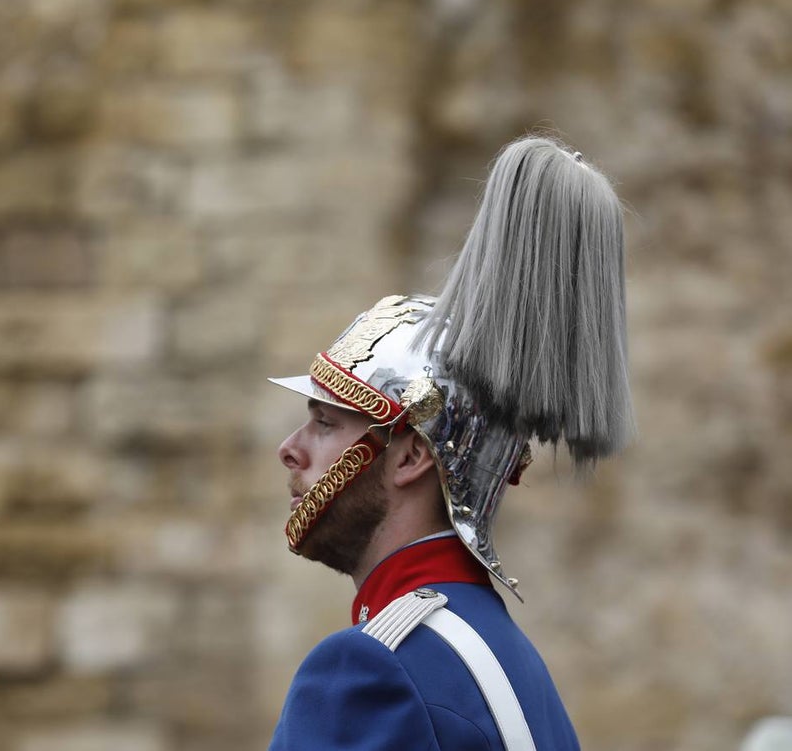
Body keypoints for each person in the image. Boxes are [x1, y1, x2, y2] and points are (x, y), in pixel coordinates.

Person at [267, 136, 633, 750]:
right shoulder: (515, 667)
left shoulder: (366, 671)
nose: (291, 448)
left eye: (327, 422)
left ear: (410, 454)